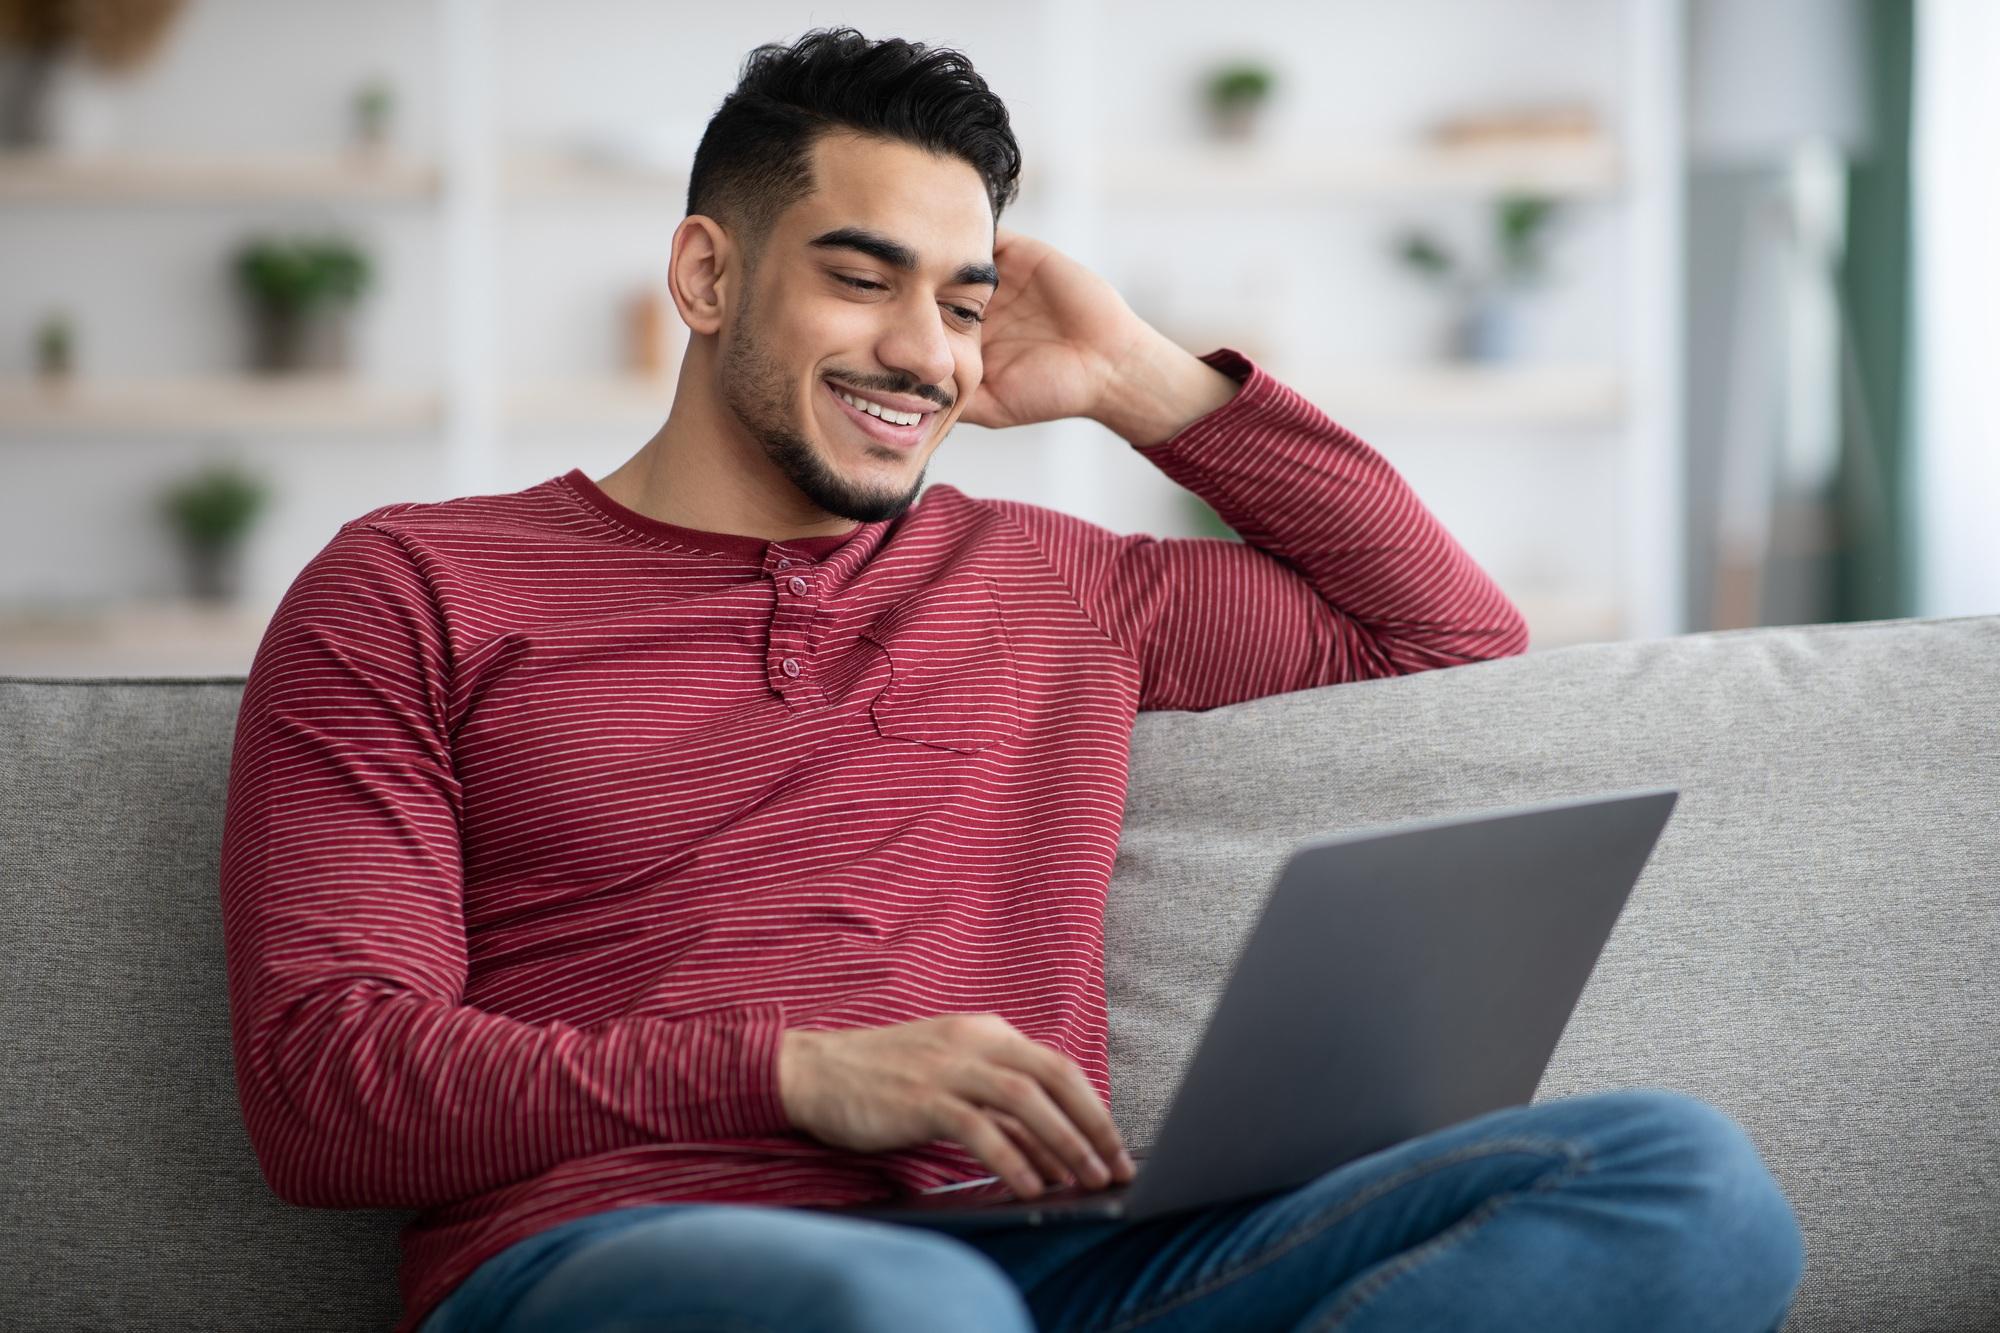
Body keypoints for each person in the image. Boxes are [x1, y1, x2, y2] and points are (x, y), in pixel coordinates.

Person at [217, 25, 1806, 1333]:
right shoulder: (413, 587)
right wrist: (795, 1070)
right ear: (705, 278)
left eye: (960, 303)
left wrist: (1141, 381)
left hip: (1058, 1261)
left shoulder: (1054, 580)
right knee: (898, 1312)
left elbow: (1444, 632)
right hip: (631, 1254)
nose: (925, 351)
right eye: (862, 277)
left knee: (1681, 1178)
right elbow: (326, 1084)